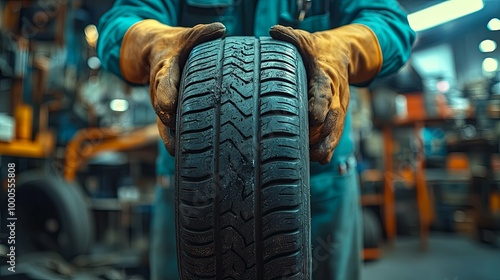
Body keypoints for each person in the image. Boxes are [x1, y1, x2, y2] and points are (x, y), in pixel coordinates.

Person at [97, 1, 415, 279]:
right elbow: (120, 22)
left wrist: (343, 50)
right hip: (194, 186)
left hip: (315, 185)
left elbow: (389, 23)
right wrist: (155, 45)